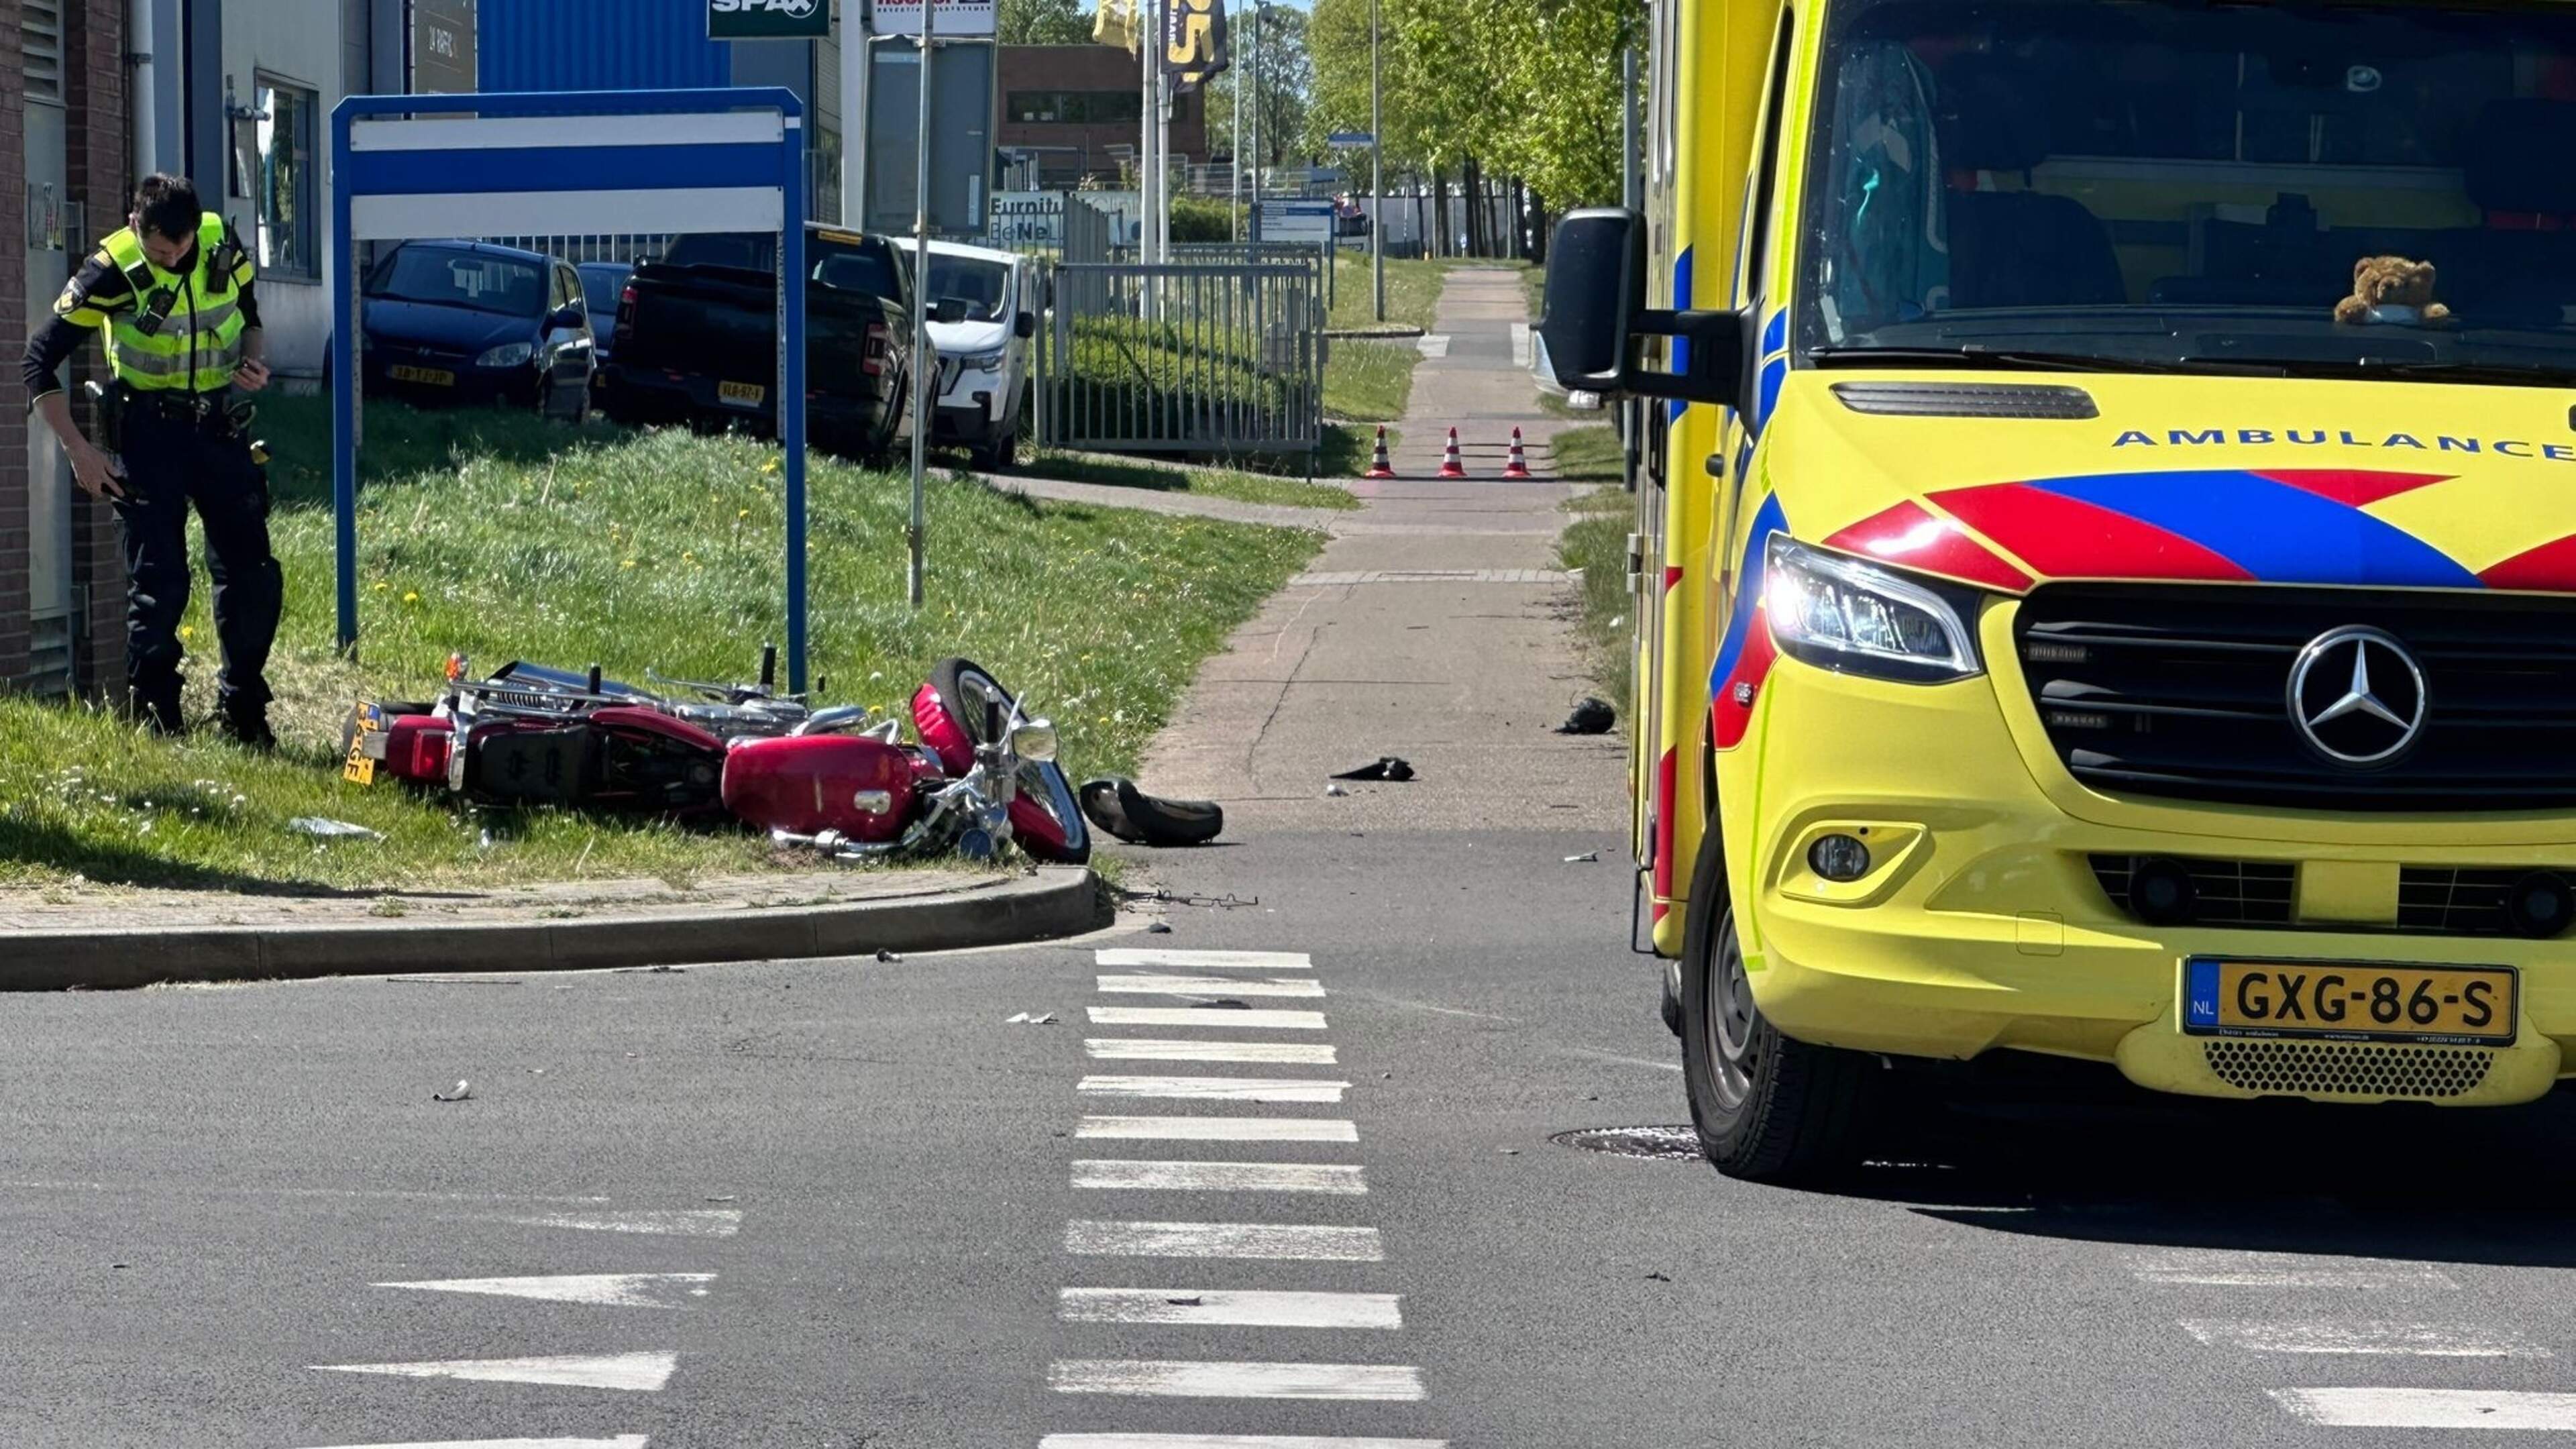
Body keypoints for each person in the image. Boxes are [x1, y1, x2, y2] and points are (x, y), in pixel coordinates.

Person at [20, 172, 280, 745]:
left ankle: (243, 711)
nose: (174, 259)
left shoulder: (218, 241)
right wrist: (78, 450)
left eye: (182, 248)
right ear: (137, 226)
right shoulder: (111, 270)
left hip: (216, 428)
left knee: (254, 575)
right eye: (162, 250)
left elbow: (250, 312)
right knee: (159, 583)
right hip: (147, 436)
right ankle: (159, 720)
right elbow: (37, 360)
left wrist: (254, 362)